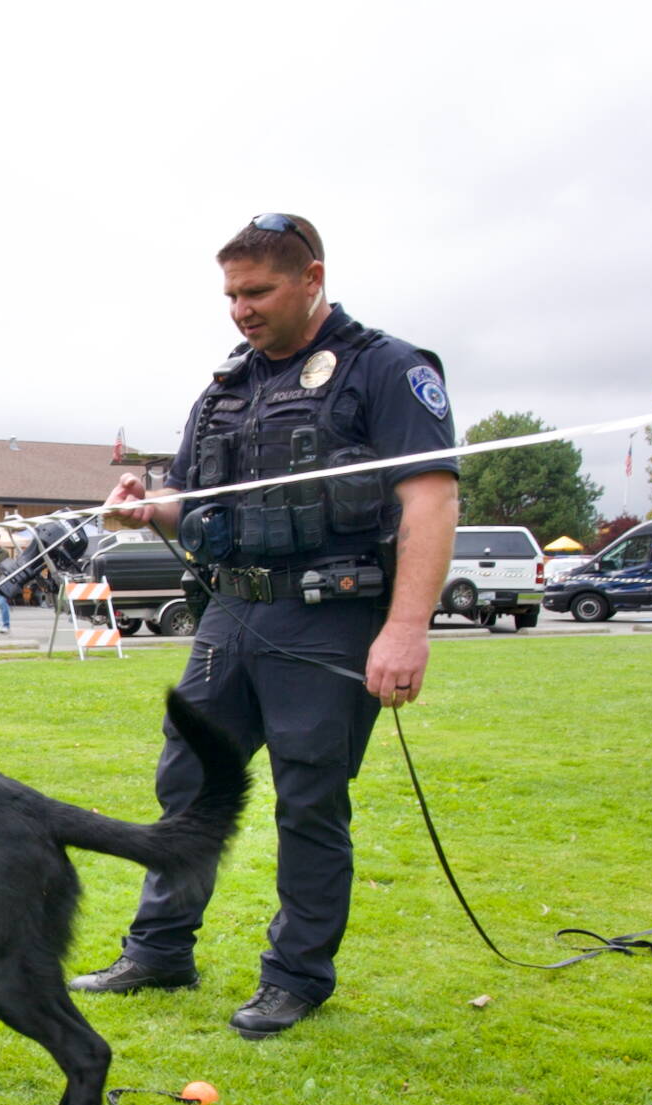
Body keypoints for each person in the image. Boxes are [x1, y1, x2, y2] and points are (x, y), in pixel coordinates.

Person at [70, 213, 459, 1040]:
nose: (241, 309)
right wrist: (145, 510)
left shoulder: (387, 370)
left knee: (309, 800)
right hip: (231, 612)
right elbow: (189, 500)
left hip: (330, 616)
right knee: (188, 783)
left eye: (258, 291)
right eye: (231, 294)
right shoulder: (226, 388)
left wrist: (406, 629)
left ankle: (296, 976)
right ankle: (160, 948)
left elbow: (431, 498)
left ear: (312, 277)